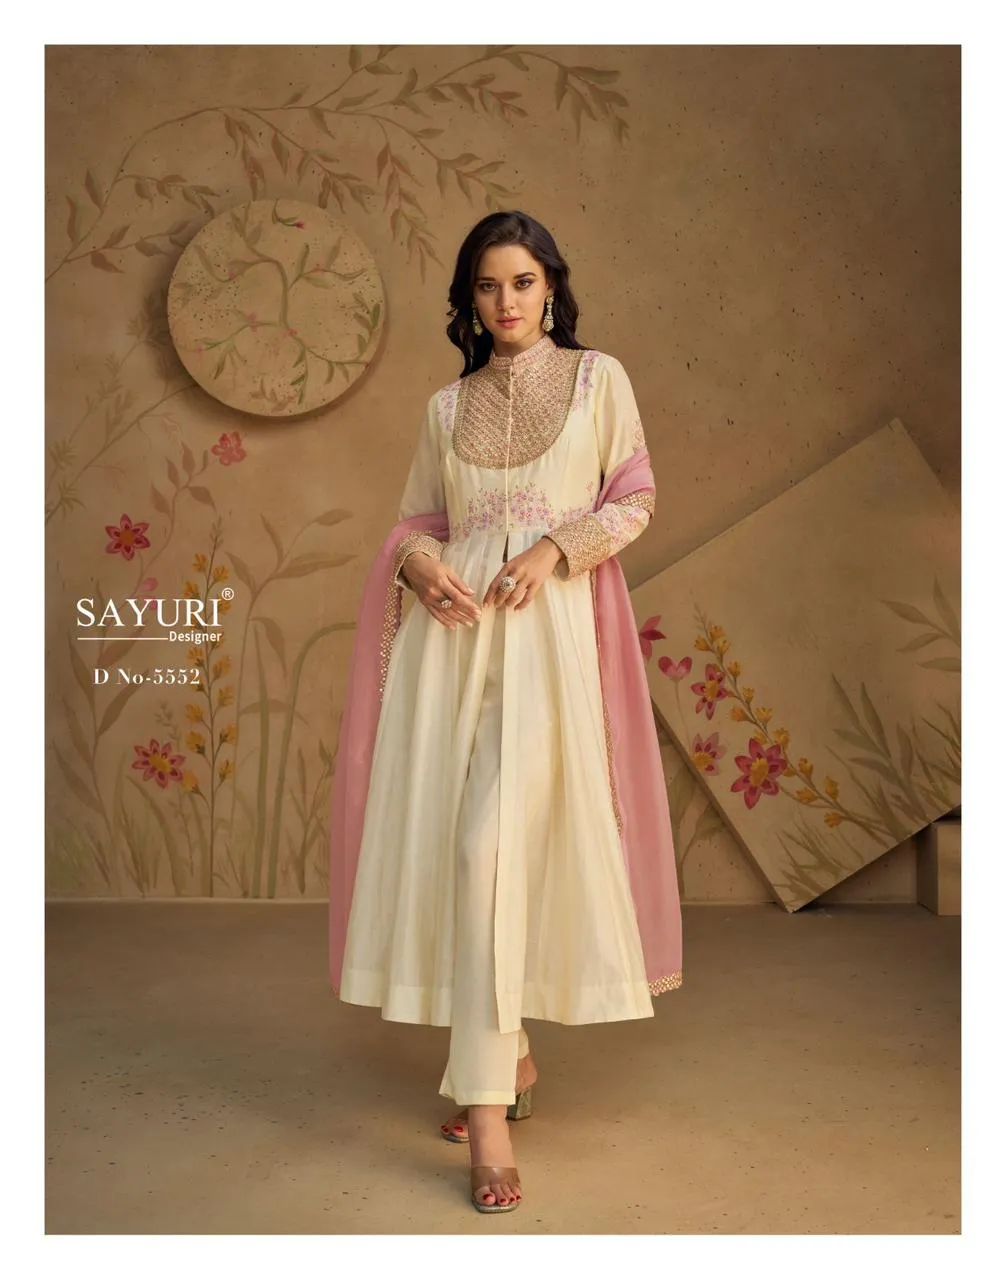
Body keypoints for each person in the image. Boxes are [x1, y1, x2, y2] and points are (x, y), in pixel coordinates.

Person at [329, 210, 683, 1215]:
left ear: (551, 286)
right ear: (469, 299)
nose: (506, 301)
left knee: (493, 847)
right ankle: (508, 1061)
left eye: (522, 281)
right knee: (466, 851)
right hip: (453, 644)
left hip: (549, 642)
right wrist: (417, 562)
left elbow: (634, 496)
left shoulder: (598, 380)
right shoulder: (446, 407)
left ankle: (484, 1108)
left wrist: (556, 549)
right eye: (487, 285)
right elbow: (416, 519)